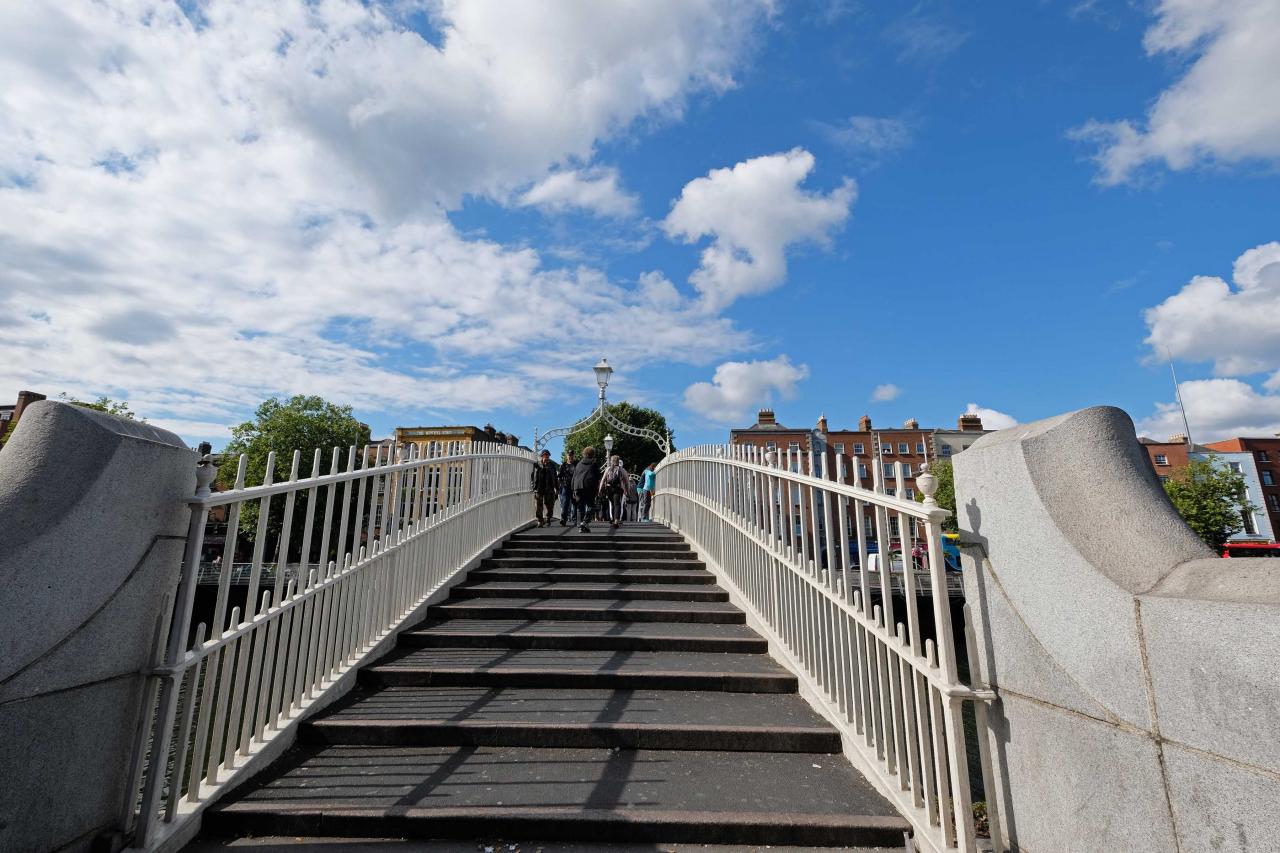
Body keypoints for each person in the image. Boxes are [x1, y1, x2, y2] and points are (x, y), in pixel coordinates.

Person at [571, 447, 602, 532]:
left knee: (580, 506)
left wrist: (573, 489)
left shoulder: (579, 463)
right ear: (592, 454)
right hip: (589, 486)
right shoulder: (593, 463)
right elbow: (598, 477)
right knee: (592, 505)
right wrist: (599, 488)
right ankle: (585, 522)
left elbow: (574, 476)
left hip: (578, 486)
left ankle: (581, 526)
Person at [530, 449, 559, 526]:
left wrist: (557, 488)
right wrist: (533, 486)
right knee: (538, 505)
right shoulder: (537, 464)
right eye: (545, 455)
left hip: (549, 488)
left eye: (547, 455)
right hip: (539, 488)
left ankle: (548, 517)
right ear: (542, 456)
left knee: (550, 505)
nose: (546, 457)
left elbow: (555, 478)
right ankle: (540, 520)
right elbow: (533, 476)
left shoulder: (552, 466)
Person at [598, 455, 628, 529]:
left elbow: (603, 479)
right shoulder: (621, 469)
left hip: (609, 489)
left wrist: (600, 489)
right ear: (618, 461)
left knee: (612, 503)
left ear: (611, 461)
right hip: (618, 488)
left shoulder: (608, 469)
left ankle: (613, 518)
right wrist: (627, 489)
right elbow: (627, 480)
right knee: (617, 504)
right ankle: (616, 520)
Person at [557, 449, 577, 526]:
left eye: (571, 455)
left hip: (575, 487)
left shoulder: (576, 464)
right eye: (569, 455)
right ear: (567, 456)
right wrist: (558, 487)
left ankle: (575, 519)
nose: (570, 457)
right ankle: (563, 519)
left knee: (575, 503)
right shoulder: (563, 465)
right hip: (565, 486)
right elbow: (559, 477)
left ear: (573, 456)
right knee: (565, 503)